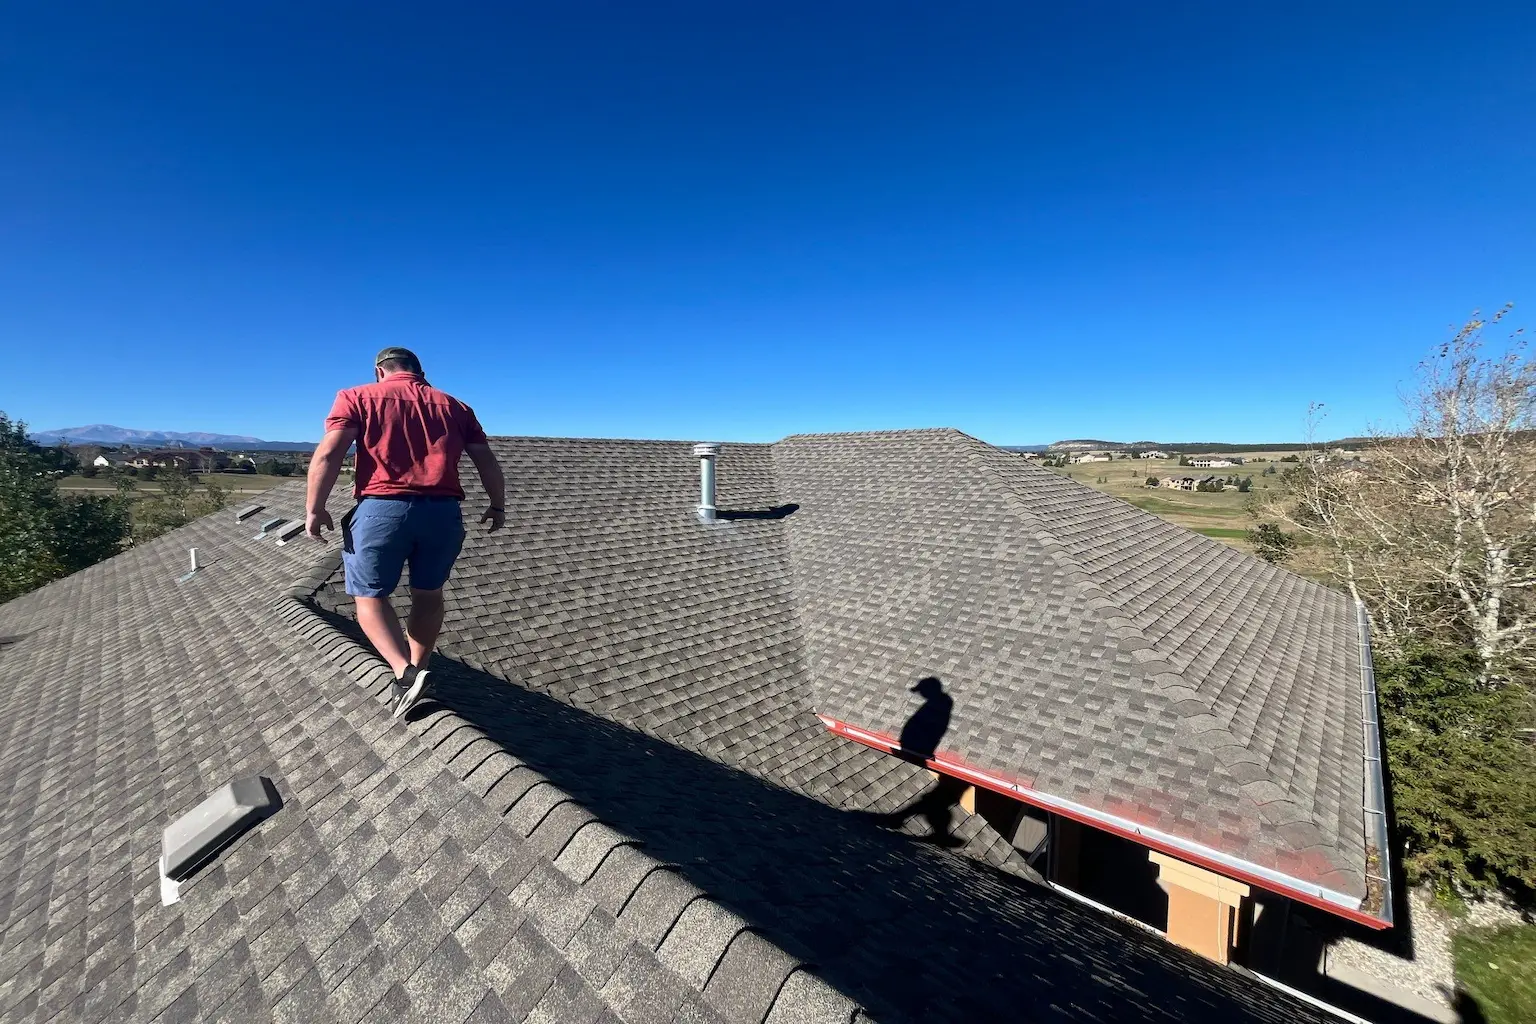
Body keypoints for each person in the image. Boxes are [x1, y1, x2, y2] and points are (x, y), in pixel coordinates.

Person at [306, 347, 505, 718]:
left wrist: (314, 507)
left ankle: (405, 672)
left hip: (384, 509)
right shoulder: (456, 407)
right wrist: (497, 505)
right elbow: (487, 461)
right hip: (443, 514)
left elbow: (329, 454)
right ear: (420, 371)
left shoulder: (356, 397)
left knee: (368, 597)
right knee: (429, 595)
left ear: (380, 371)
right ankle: (419, 666)